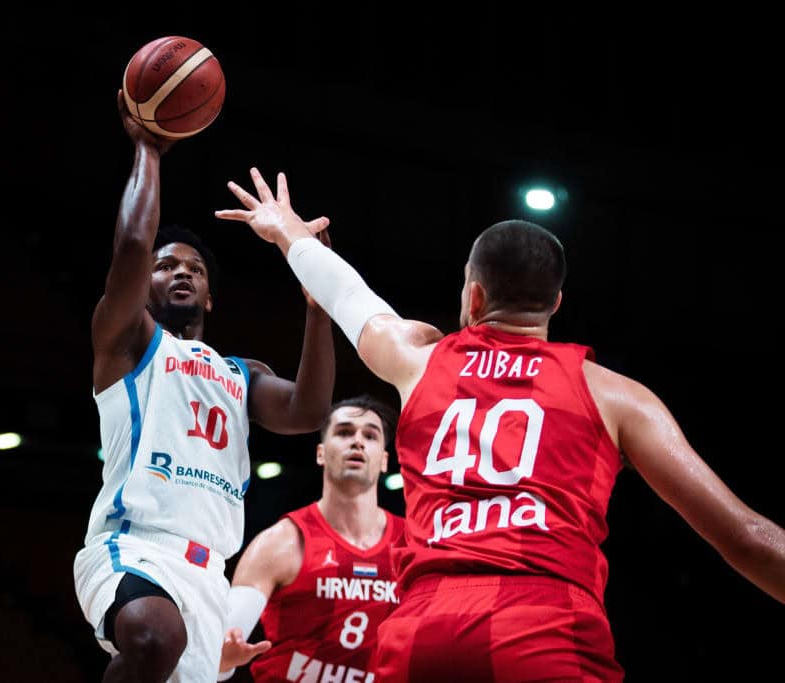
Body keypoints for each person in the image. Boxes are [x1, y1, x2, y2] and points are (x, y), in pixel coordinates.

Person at [214, 168, 785, 682]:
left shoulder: (421, 360)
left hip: (423, 635)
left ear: (474, 295)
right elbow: (744, 538)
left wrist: (287, 232)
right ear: (556, 303)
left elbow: (349, 296)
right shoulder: (617, 396)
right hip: (544, 629)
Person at [72, 102, 336, 683]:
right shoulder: (127, 343)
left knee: (163, 648)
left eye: (195, 268)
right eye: (167, 267)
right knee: (151, 635)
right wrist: (148, 149)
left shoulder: (242, 373)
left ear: (212, 298)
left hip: (209, 575)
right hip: (132, 547)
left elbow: (309, 411)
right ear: (147, 285)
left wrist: (319, 308)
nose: (182, 273)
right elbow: (132, 250)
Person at [217, 395, 405, 683]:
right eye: (344, 432)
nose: (357, 442)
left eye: (370, 435)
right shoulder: (281, 543)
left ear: (384, 460)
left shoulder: (411, 544)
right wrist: (224, 661)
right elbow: (220, 651)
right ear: (320, 453)